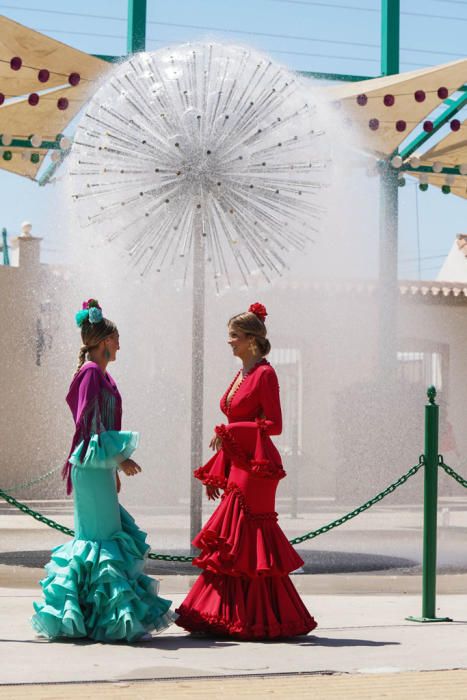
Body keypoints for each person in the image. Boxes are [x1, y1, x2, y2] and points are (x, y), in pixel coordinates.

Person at [31, 299, 176, 642]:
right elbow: (89, 424)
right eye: (116, 338)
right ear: (104, 342)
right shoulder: (92, 372)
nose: (120, 344)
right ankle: (100, 617)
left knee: (102, 539)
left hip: (97, 467)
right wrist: (117, 460)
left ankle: (94, 615)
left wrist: (112, 468)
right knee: (98, 542)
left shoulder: (99, 373)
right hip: (91, 464)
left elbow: (98, 425)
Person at [176, 302, 317, 639]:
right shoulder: (243, 373)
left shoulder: (266, 374)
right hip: (240, 463)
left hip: (257, 468)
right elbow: (232, 425)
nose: (230, 342)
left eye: (234, 336)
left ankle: (260, 618)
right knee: (232, 540)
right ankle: (225, 614)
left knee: (247, 538)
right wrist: (220, 470)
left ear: (252, 340)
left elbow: (275, 425)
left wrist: (229, 436)